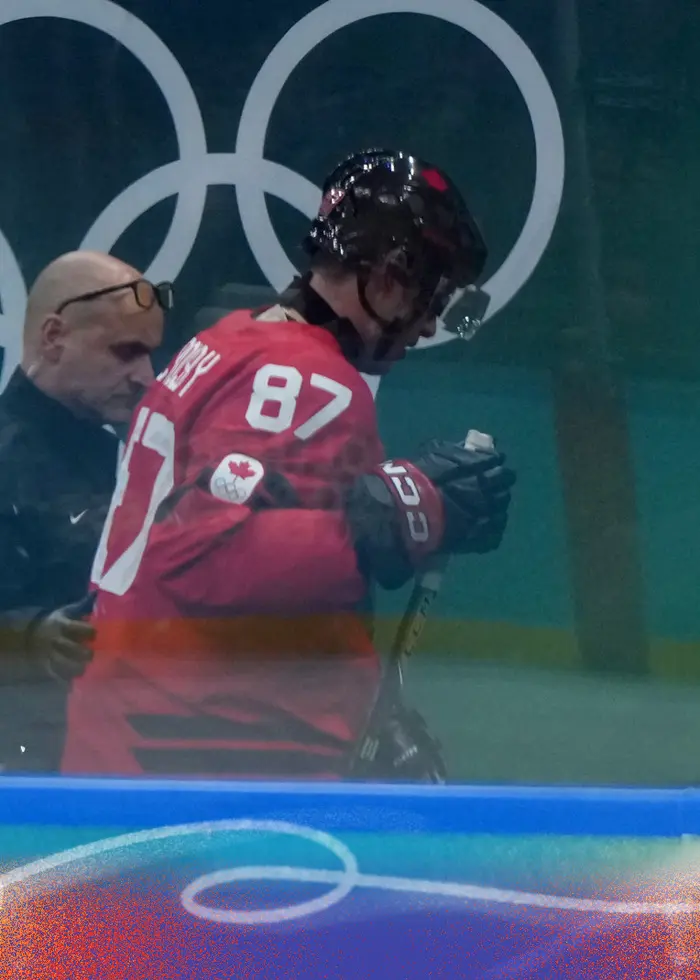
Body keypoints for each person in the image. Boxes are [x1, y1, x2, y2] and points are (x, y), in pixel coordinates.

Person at [62, 149, 516, 780]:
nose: (432, 322)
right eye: (433, 295)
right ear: (389, 276)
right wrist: (404, 512)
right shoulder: (304, 375)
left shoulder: (226, 341)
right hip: (192, 784)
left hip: (141, 747)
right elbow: (204, 554)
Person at [0, 250, 169, 772]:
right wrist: (31, 637)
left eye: (150, 356)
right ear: (54, 337)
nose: (148, 376)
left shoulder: (117, 454)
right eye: (125, 352)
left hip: (101, 755)